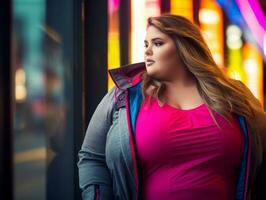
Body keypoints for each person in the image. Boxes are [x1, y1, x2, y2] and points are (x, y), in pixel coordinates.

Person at [77, 14, 266, 200]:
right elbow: (92, 157)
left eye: (158, 43)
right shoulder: (124, 96)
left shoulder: (235, 96)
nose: (148, 51)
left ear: (185, 48)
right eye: (146, 44)